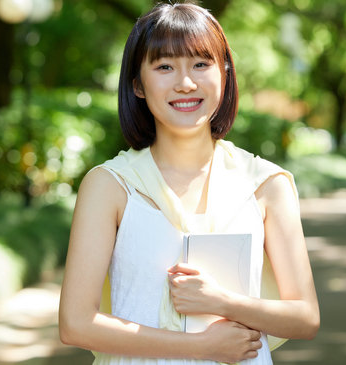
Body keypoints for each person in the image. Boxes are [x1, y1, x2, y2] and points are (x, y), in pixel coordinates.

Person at [58, 3, 319, 364]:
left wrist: (221, 301)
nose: (185, 83)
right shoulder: (111, 186)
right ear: (137, 84)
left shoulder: (264, 183)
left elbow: (305, 318)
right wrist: (201, 347)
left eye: (201, 64)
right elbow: (75, 324)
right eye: (164, 66)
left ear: (224, 75)